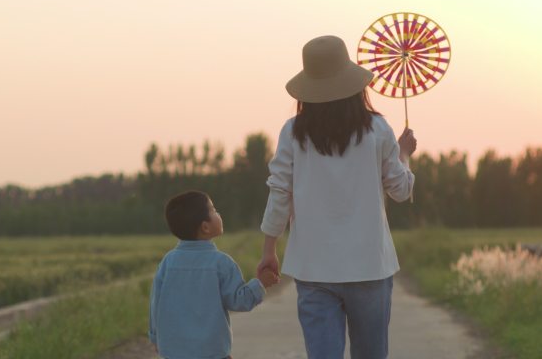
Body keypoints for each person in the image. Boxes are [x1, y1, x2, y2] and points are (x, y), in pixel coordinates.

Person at [257, 35, 417, 359]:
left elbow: (279, 194)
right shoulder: (378, 128)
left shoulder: (292, 132)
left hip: (313, 268)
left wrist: (269, 250)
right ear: (353, 82)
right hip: (370, 265)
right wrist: (404, 154)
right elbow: (401, 191)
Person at [149, 190, 279, 359]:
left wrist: (155, 336)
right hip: (212, 352)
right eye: (214, 210)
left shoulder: (168, 262)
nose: (218, 213)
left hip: (174, 352)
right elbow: (239, 301)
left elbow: (155, 302)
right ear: (205, 227)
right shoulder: (221, 263)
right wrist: (260, 283)